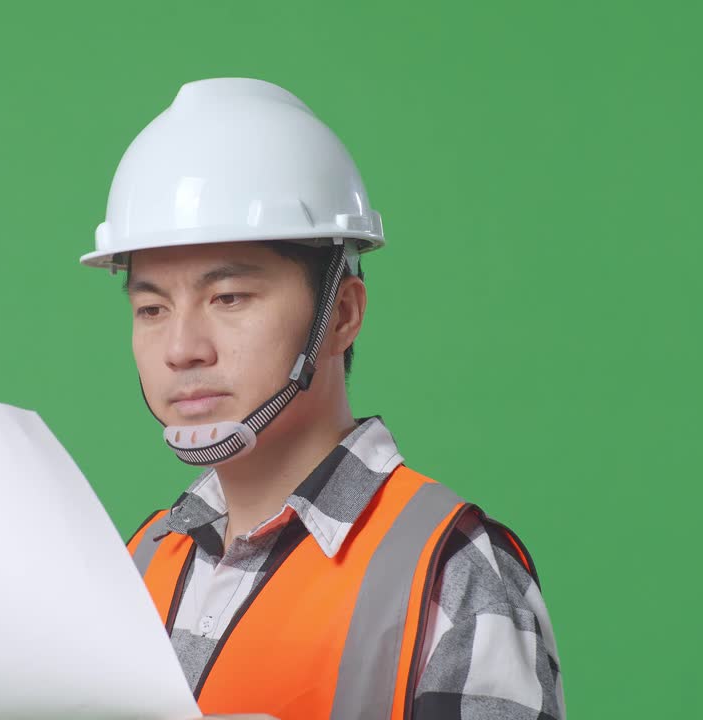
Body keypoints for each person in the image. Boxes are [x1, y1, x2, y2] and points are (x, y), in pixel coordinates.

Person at [81, 78, 566, 720]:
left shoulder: (452, 574)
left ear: (340, 314)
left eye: (229, 298)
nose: (182, 348)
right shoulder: (140, 562)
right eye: (151, 307)